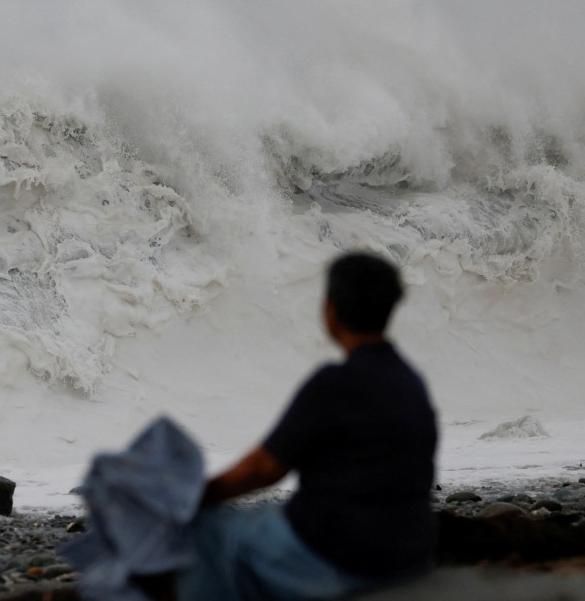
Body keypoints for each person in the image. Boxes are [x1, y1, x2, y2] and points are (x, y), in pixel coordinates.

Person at [162, 252, 438, 600]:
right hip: (409, 552)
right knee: (261, 519)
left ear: (331, 311)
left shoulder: (334, 384)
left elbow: (264, 469)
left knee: (208, 530)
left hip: (340, 554)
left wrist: (196, 497)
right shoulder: (410, 382)